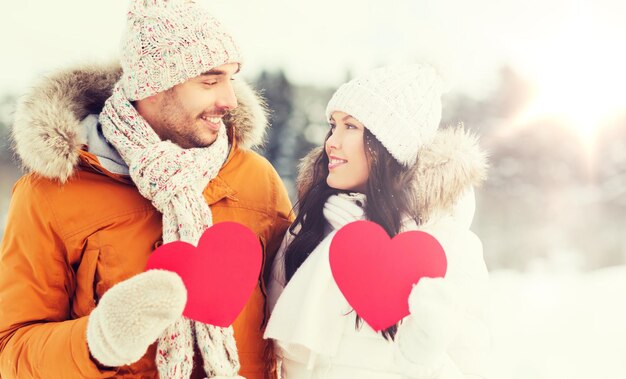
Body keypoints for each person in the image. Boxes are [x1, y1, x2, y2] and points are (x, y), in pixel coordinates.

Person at [0, 1, 292, 378]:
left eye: (231, 78)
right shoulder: (50, 194)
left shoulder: (257, 180)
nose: (229, 100)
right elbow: (11, 351)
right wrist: (97, 340)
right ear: (151, 87)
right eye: (209, 80)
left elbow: (297, 318)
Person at [264, 64, 490, 378]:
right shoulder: (306, 230)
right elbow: (273, 362)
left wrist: (421, 357)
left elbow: (471, 368)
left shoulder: (447, 245)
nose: (331, 141)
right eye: (333, 125)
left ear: (389, 144)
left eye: (351, 127)